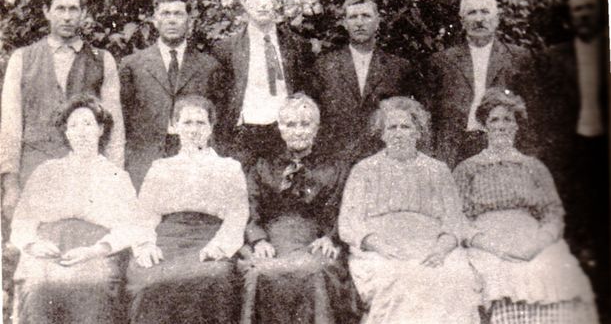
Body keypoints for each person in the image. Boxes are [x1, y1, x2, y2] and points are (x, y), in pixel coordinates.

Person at [454, 87, 598, 323]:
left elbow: (553, 213)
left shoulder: (533, 167)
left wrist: (537, 244)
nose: (501, 125)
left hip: (532, 237)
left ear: (517, 125)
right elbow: (457, 217)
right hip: (487, 242)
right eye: (494, 119)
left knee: (558, 270)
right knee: (500, 274)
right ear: (484, 125)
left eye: (507, 119)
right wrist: (492, 245)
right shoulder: (467, 168)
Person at [9, 94, 153, 324]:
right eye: (73, 126)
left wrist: (97, 250)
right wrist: (33, 244)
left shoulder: (116, 176)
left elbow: (131, 226)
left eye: (88, 123)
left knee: (93, 287)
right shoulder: (46, 171)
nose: (81, 131)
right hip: (49, 249)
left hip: (95, 251)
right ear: (66, 133)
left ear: (100, 129)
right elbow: (22, 221)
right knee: (38, 286)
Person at [338, 96, 479, 323]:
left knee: (455, 277)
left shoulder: (437, 170)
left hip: (432, 247)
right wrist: (380, 245)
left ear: (418, 132)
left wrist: (441, 250)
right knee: (401, 277)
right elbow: (349, 224)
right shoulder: (364, 170)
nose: (398, 133)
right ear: (382, 134)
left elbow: (455, 220)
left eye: (406, 126)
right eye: (391, 127)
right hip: (382, 250)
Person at [0, 0, 124, 219]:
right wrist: (10, 183)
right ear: (47, 12)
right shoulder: (22, 59)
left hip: (86, 174)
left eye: (73, 9)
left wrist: (114, 179)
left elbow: (114, 128)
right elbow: (10, 127)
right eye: (60, 9)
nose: (67, 17)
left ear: (83, 13)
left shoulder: (102, 59)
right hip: (33, 170)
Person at [126, 95, 249, 324]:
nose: (194, 130)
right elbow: (145, 214)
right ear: (174, 127)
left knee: (212, 278)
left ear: (211, 128)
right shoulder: (160, 168)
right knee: (151, 280)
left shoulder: (229, 168)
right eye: (187, 123)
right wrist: (146, 245)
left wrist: (219, 247)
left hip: (209, 239)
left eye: (200, 123)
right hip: (167, 240)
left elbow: (237, 215)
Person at [240, 93, 358, 324]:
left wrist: (331, 238)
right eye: (290, 124)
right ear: (281, 129)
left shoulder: (334, 167)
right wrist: (259, 240)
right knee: (259, 273)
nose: (298, 131)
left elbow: (344, 208)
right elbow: (250, 208)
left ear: (316, 128)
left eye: (306, 124)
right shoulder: (263, 166)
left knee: (315, 273)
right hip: (273, 239)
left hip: (315, 239)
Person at [543, 0, 608, 306]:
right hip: (572, 152)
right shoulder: (555, 57)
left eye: (589, 8)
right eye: (577, 9)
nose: (583, 15)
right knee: (575, 225)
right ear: (569, 17)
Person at [120, 0, 222, 190]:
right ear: (155, 20)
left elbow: (216, 123)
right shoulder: (132, 64)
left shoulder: (209, 66)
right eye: (165, 14)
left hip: (194, 163)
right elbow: (123, 118)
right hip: (145, 163)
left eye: (178, 14)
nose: (172, 20)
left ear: (189, 21)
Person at [212, 0, 313, 169]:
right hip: (244, 137)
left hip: (285, 134)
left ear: (278, 2)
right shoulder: (226, 49)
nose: (263, 3)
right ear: (244, 2)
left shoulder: (297, 46)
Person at [428, 0, 537, 168]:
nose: (479, 19)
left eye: (485, 12)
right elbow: (430, 115)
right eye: (472, 13)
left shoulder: (519, 58)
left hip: (504, 147)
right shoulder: (441, 62)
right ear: (462, 21)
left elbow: (530, 114)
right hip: (454, 151)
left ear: (497, 19)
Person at [314, 0, 423, 163]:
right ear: (344, 23)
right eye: (353, 17)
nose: (359, 23)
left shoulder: (398, 68)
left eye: (366, 16)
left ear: (378, 21)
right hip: (336, 160)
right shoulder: (325, 66)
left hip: (383, 158)